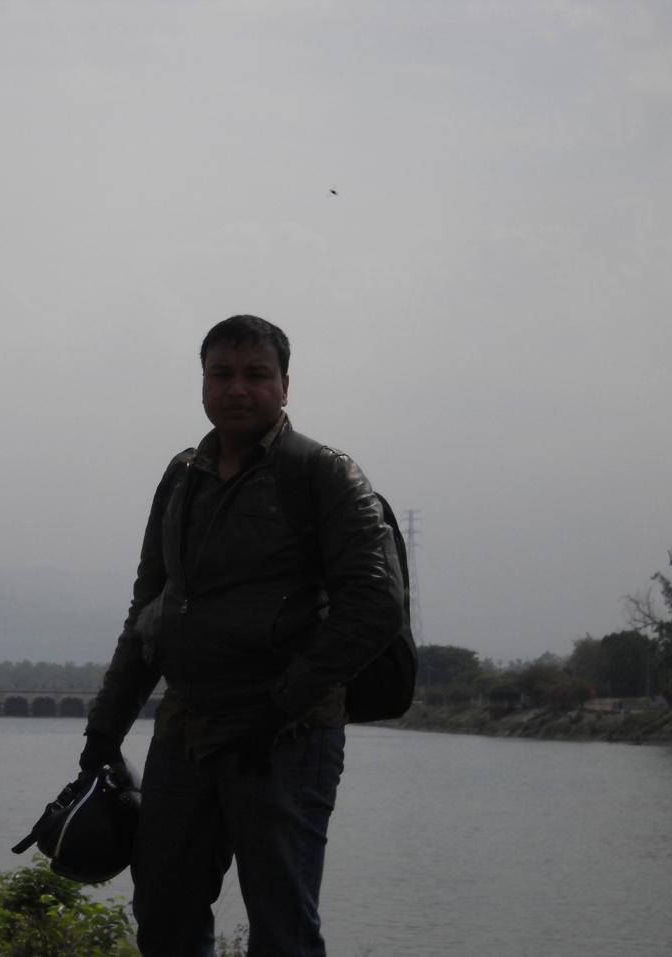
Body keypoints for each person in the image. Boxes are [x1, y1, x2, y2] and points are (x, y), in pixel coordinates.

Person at [79, 315, 404, 957]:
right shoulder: (181, 476)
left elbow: (376, 602)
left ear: (285, 386)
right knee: (164, 912)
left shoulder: (323, 475)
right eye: (222, 374)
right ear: (202, 383)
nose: (238, 389)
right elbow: (150, 609)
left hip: (287, 737)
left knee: (282, 926)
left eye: (257, 375)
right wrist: (103, 731)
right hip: (185, 730)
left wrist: (279, 707)